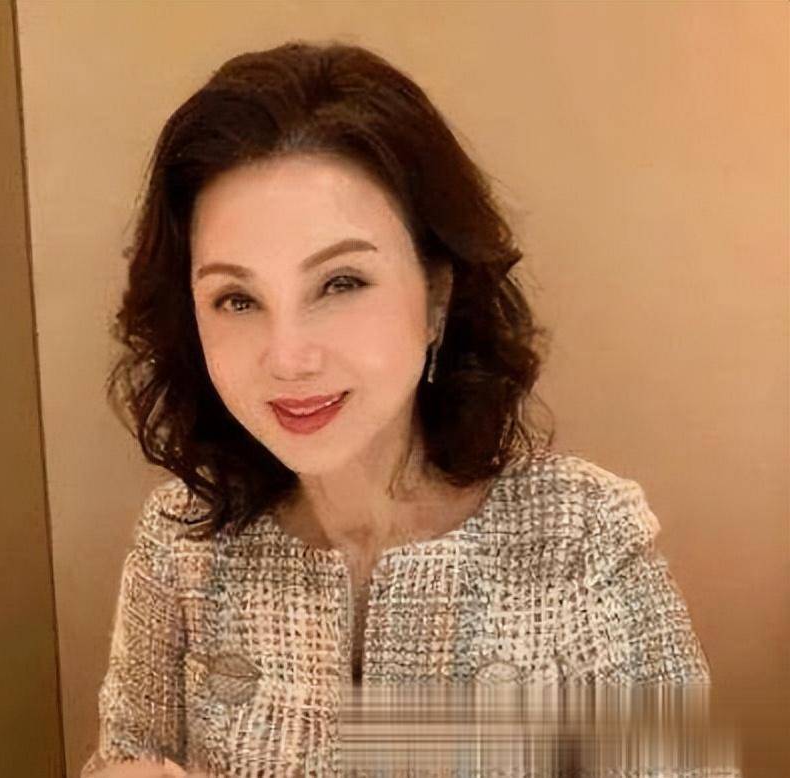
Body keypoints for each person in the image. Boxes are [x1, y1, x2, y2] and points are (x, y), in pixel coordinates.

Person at [80, 41, 711, 777]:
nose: (288, 358)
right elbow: (124, 756)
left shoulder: (580, 538)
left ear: (436, 293)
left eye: (341, 283)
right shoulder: (181, 542)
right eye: (237, 299)